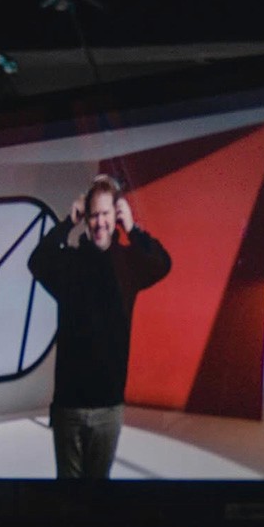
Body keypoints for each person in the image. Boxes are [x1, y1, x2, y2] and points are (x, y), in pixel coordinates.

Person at [28, 173, 172, 478]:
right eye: (93, 215)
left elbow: (163, 263)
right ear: (85, 217)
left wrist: (133, 229)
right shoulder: (70, 263)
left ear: (116, 215)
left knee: (99, 496)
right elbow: (37, 261)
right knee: (67, 498)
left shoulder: (127, 265)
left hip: (109, 407)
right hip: (68, 407)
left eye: (105, 214)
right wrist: (68, 222)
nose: (99, 222)